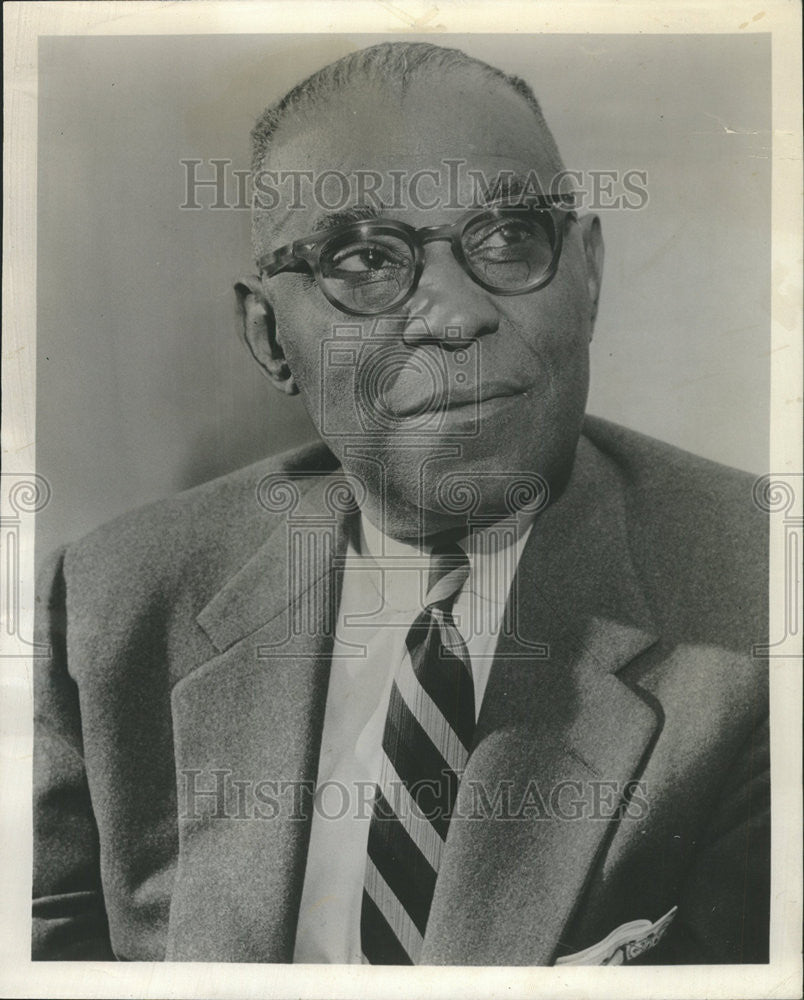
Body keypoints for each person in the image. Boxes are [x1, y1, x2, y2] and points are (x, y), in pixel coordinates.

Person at [32, 41, 769, 965]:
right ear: (269, 337)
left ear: (587, 270)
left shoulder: (766, 596)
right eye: (365, 259)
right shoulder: (110, 604)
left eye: (508, 238)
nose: (455, 315)